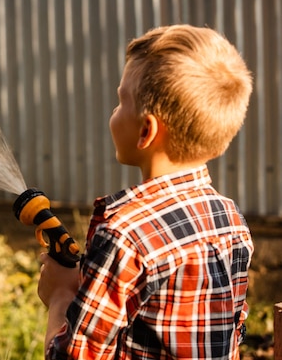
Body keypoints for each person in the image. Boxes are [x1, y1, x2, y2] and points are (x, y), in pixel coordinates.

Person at [38, 24, 254, 360]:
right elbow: (230, 344)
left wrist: (59, 296)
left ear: (145, 131)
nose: (113, 112)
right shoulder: (231, 222)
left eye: (120, 101)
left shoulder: (124, 235)